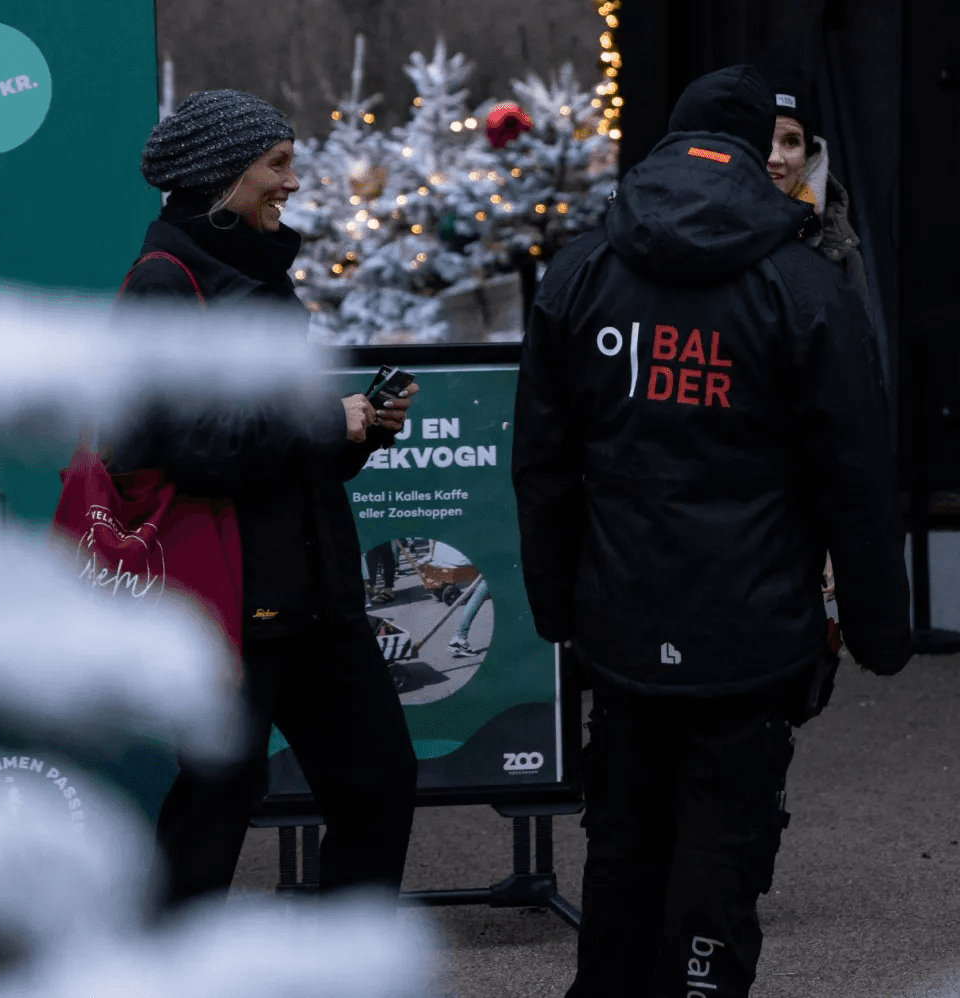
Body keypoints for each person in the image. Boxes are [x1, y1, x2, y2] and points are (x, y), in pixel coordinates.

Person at [513, 64, 912, 998]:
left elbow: (539, 460)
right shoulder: (804, 286)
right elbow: (856, 477)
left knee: (622, 840)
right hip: (752, 626)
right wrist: (879, 627)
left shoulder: (583, 272)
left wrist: (556, 602)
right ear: (750, 153)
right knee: (723, 852)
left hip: (620, 622)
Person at [114, 88, 419, 903]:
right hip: (231, 603)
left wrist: (363, 431)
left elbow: (284, 450)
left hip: (315, 601)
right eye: (276, 165)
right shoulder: (164, 285)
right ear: (222, 175)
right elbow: (193, 452)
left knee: (380, 784)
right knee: (216, 807)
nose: (292, 182)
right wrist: (327, 422)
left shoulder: (263, 276)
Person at [763, 76, 868, 297]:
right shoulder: (715, 230)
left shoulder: (840, 249)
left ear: (808, 157)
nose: (775, 158)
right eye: (763, 140)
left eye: (791, 142)